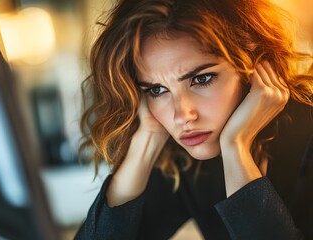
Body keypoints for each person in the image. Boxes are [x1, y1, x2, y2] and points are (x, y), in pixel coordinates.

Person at [75, 0, 313, 239]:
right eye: (156, 90)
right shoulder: (184, 159)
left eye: (202, 79)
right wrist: (145, 142)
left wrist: (235, 146)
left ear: (253, 63)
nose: (181, 116)